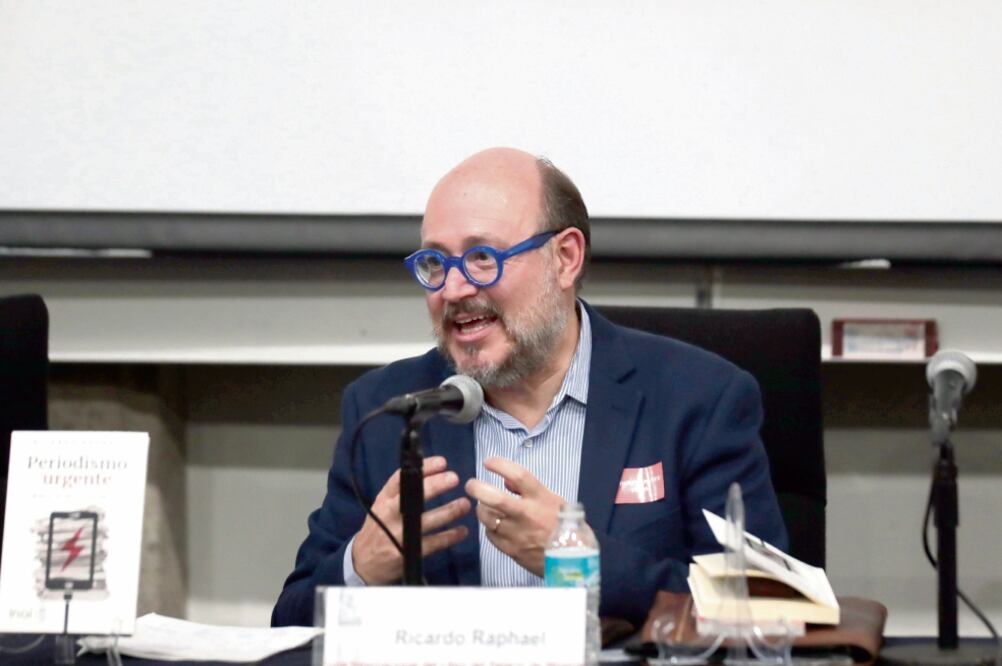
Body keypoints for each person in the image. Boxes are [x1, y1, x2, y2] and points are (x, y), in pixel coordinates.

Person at [272, 148, 787, 627]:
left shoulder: (697, 399)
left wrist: (581, 561)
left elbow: (767, 608)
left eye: (482, 258)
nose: (454, 289)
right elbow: (288, 621)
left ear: (565, 258)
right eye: (435, 263)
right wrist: (361, 566)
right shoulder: (391, 412)